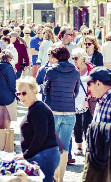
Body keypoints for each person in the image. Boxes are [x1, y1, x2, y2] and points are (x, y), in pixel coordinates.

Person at [44, 45, 80, 182]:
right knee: (64, 148)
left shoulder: (51, 71)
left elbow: (45, 90)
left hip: (54, 111)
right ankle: (61, 179)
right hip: (70, 112)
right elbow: (76, 92)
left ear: (55, 57)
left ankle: (54, 175)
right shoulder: (75, 72)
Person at [15, 77, 60, 182]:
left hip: (45, 155)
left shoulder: (38, 108)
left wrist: (26, 155)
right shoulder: (34, 107)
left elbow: (40, 135)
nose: (21, 96)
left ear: (34, 91)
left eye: (24, 93)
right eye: (18, 94)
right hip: (42, 155)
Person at [69, 48, 96, 162]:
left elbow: (97, 83)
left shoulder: (92, 70)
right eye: (73, 58)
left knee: (88, 125)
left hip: (88, 100)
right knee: (77, 125)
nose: (74, 60)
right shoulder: (72, 70)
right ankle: (79, 146)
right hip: (75, 101)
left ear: (83, 58)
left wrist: (91, 95)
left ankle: (89, 148)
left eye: (76, 58)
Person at [0, 49, 17, 129]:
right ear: (9, 58)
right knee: (7, 119)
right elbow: (12, 84)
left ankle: (0, 137)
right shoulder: (9, 68)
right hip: (9, 97)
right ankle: (6, 138)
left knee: (1, 118)